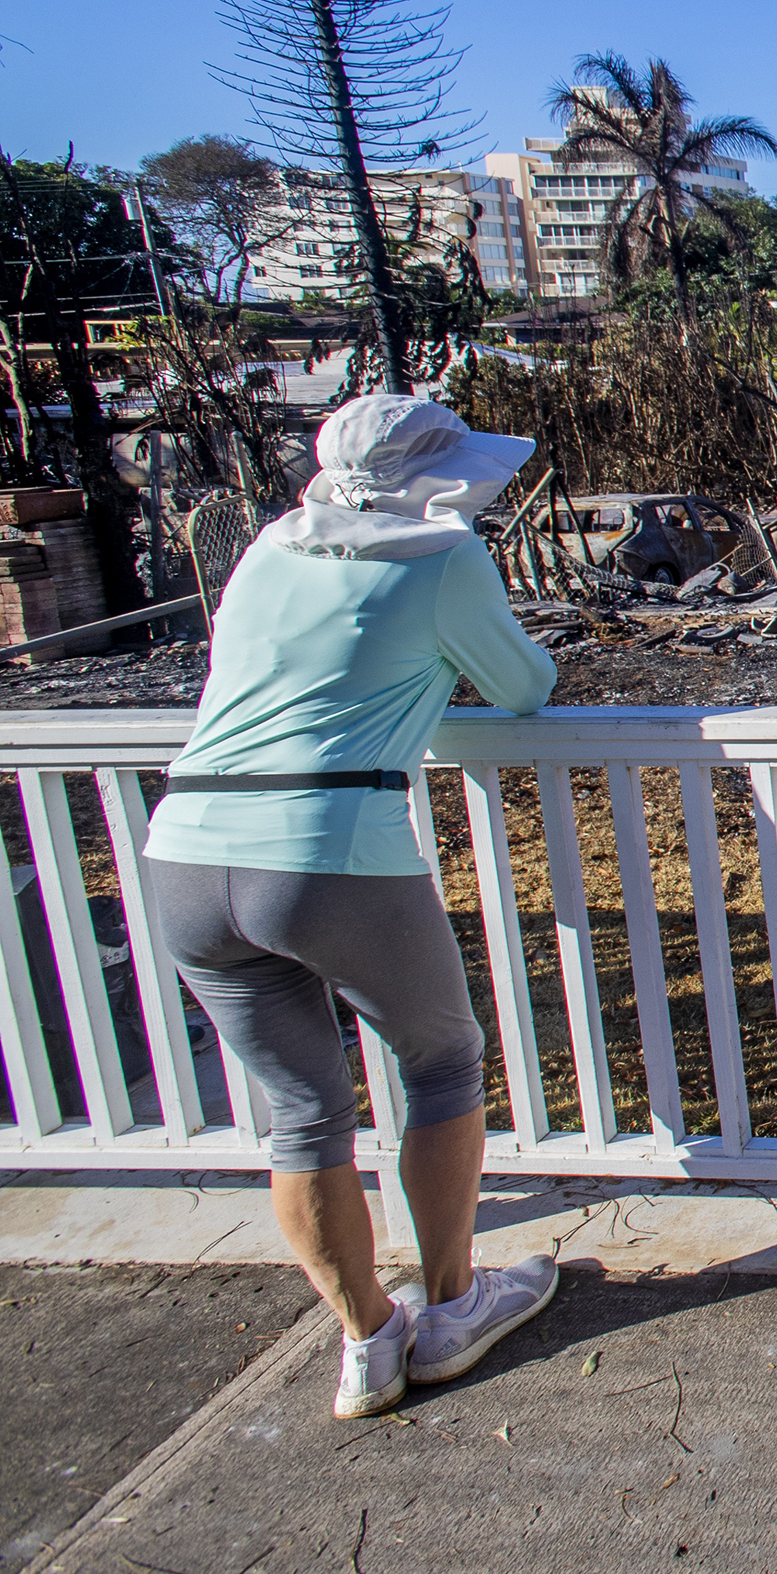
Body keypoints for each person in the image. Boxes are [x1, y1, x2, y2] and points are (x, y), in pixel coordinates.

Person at [144, 395, 563, 1419]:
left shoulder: (269, 548)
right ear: (437, 480)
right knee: (442, 1060)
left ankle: (368, 1337)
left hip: (185, 852)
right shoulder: (441, 560)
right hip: (327, 845)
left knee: (302, 1114)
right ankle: (456, 1303)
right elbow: (524, 683)